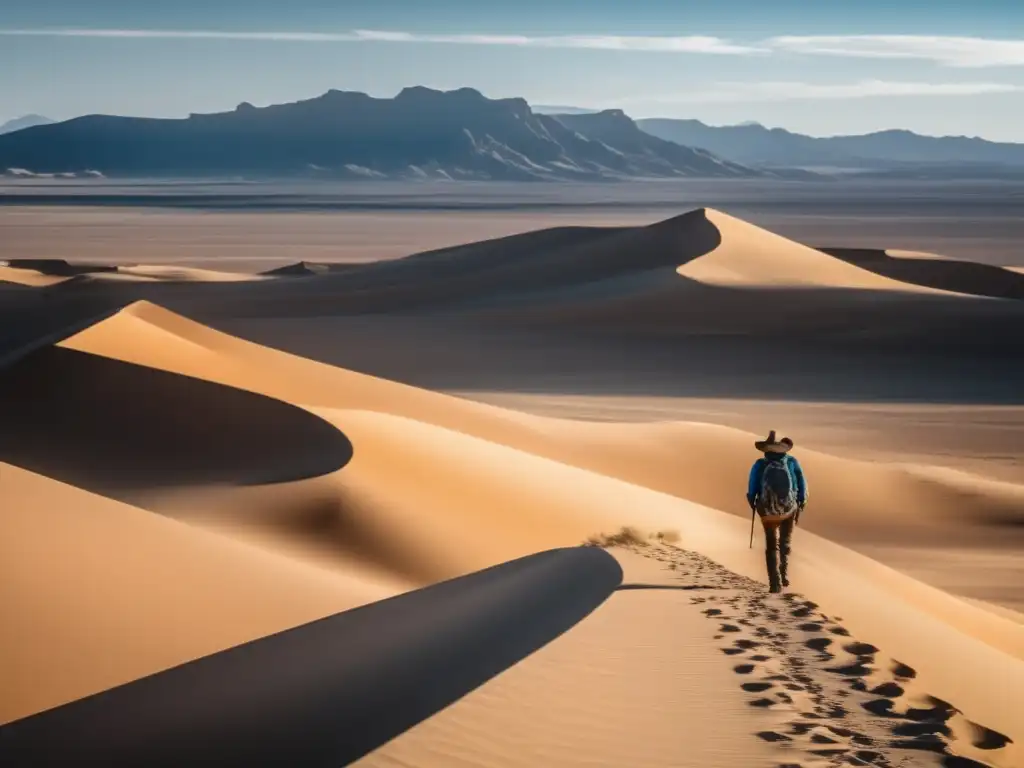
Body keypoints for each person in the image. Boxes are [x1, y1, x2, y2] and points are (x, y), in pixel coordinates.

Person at [746, 431, 808, 593]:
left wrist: (752, 501)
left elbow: (752, 487)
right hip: (789, 509)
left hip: (767, 512)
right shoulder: (792, 462)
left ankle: (774, 583)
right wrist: (801, 501)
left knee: (771, 545)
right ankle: (784, 572)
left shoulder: (760, 464)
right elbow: (802, 483)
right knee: (785, 542)